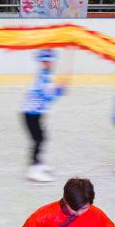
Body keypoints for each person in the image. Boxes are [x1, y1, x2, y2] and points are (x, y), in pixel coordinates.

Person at [23, 50, 66, 182]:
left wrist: (57, 89)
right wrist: (59, 91)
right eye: (48, 61)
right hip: (31, 113)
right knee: (38, 139)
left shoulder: (46, 75)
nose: (51, 64)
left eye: (52, 61)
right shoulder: (44, 77)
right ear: (43, 63)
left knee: (41, 137)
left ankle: (38, 162)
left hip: (36, 113)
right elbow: (47, 97)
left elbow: (48, 93)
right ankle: (33, 169)